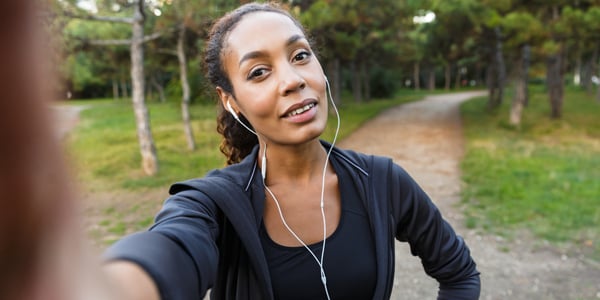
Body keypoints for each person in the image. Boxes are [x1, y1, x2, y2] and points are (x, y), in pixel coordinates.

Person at [103, 2, 480, 300]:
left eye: (300, 56)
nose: (293, 80)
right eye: (258, 72)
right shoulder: (213, 206)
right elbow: (172, 249)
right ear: (231, 101)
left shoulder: (381, 181)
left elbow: (459, 274)